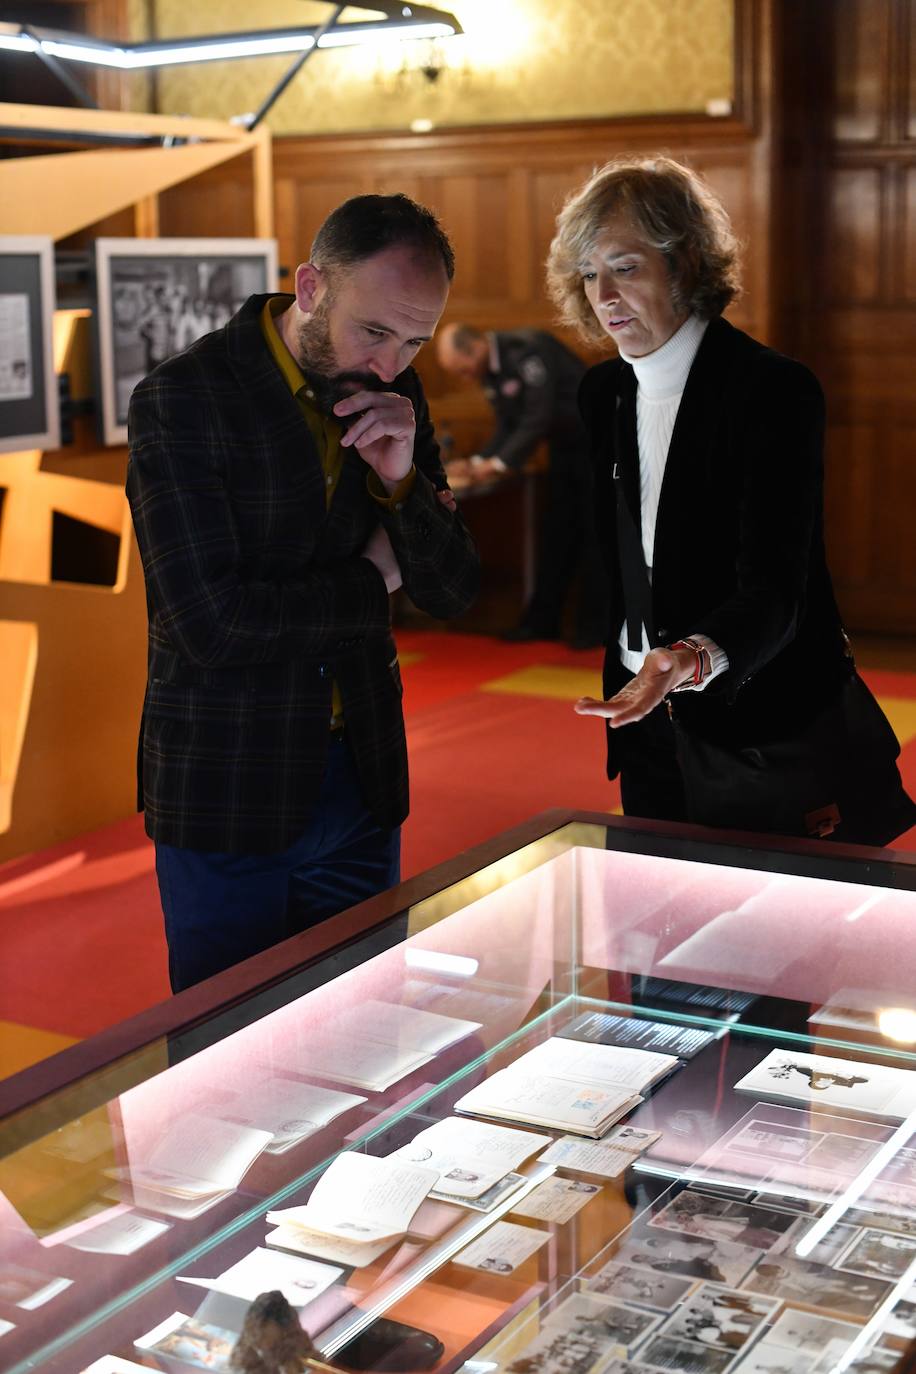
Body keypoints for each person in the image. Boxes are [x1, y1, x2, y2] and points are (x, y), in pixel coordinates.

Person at [127, 193, 479, 991]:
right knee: (228, 1061)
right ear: (312, 288)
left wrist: (401, 484)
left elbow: (454, 588)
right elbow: (210, 625)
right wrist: (374, 578)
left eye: (416, 341)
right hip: (228, 782)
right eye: (377, 331)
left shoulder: (397, 389)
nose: (392, 363)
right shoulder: (183, 398)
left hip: (363, 776)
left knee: (364, 1039)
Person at [546, 155, 916, 841]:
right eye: (589, 274)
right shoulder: (602, 393)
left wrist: (687, 657)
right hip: (641, 716)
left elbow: (779, 585)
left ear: (684, 264)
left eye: (625, 267)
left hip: (762, 717)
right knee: (659, 927)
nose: (604, 295)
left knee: (784, 937)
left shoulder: (771, 389)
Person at [436, 322, 608, 648]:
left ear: (475, 348)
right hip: (563, 448)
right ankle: (541, 623)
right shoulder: (491, 368)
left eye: (463, 369)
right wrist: (477, 462)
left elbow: (536, 417)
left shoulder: (527, 349)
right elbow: (508, 425)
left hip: (598, 446)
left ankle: (594, 629)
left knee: (594, 539)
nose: (466, 378)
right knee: (557, 535)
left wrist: (498, 464)